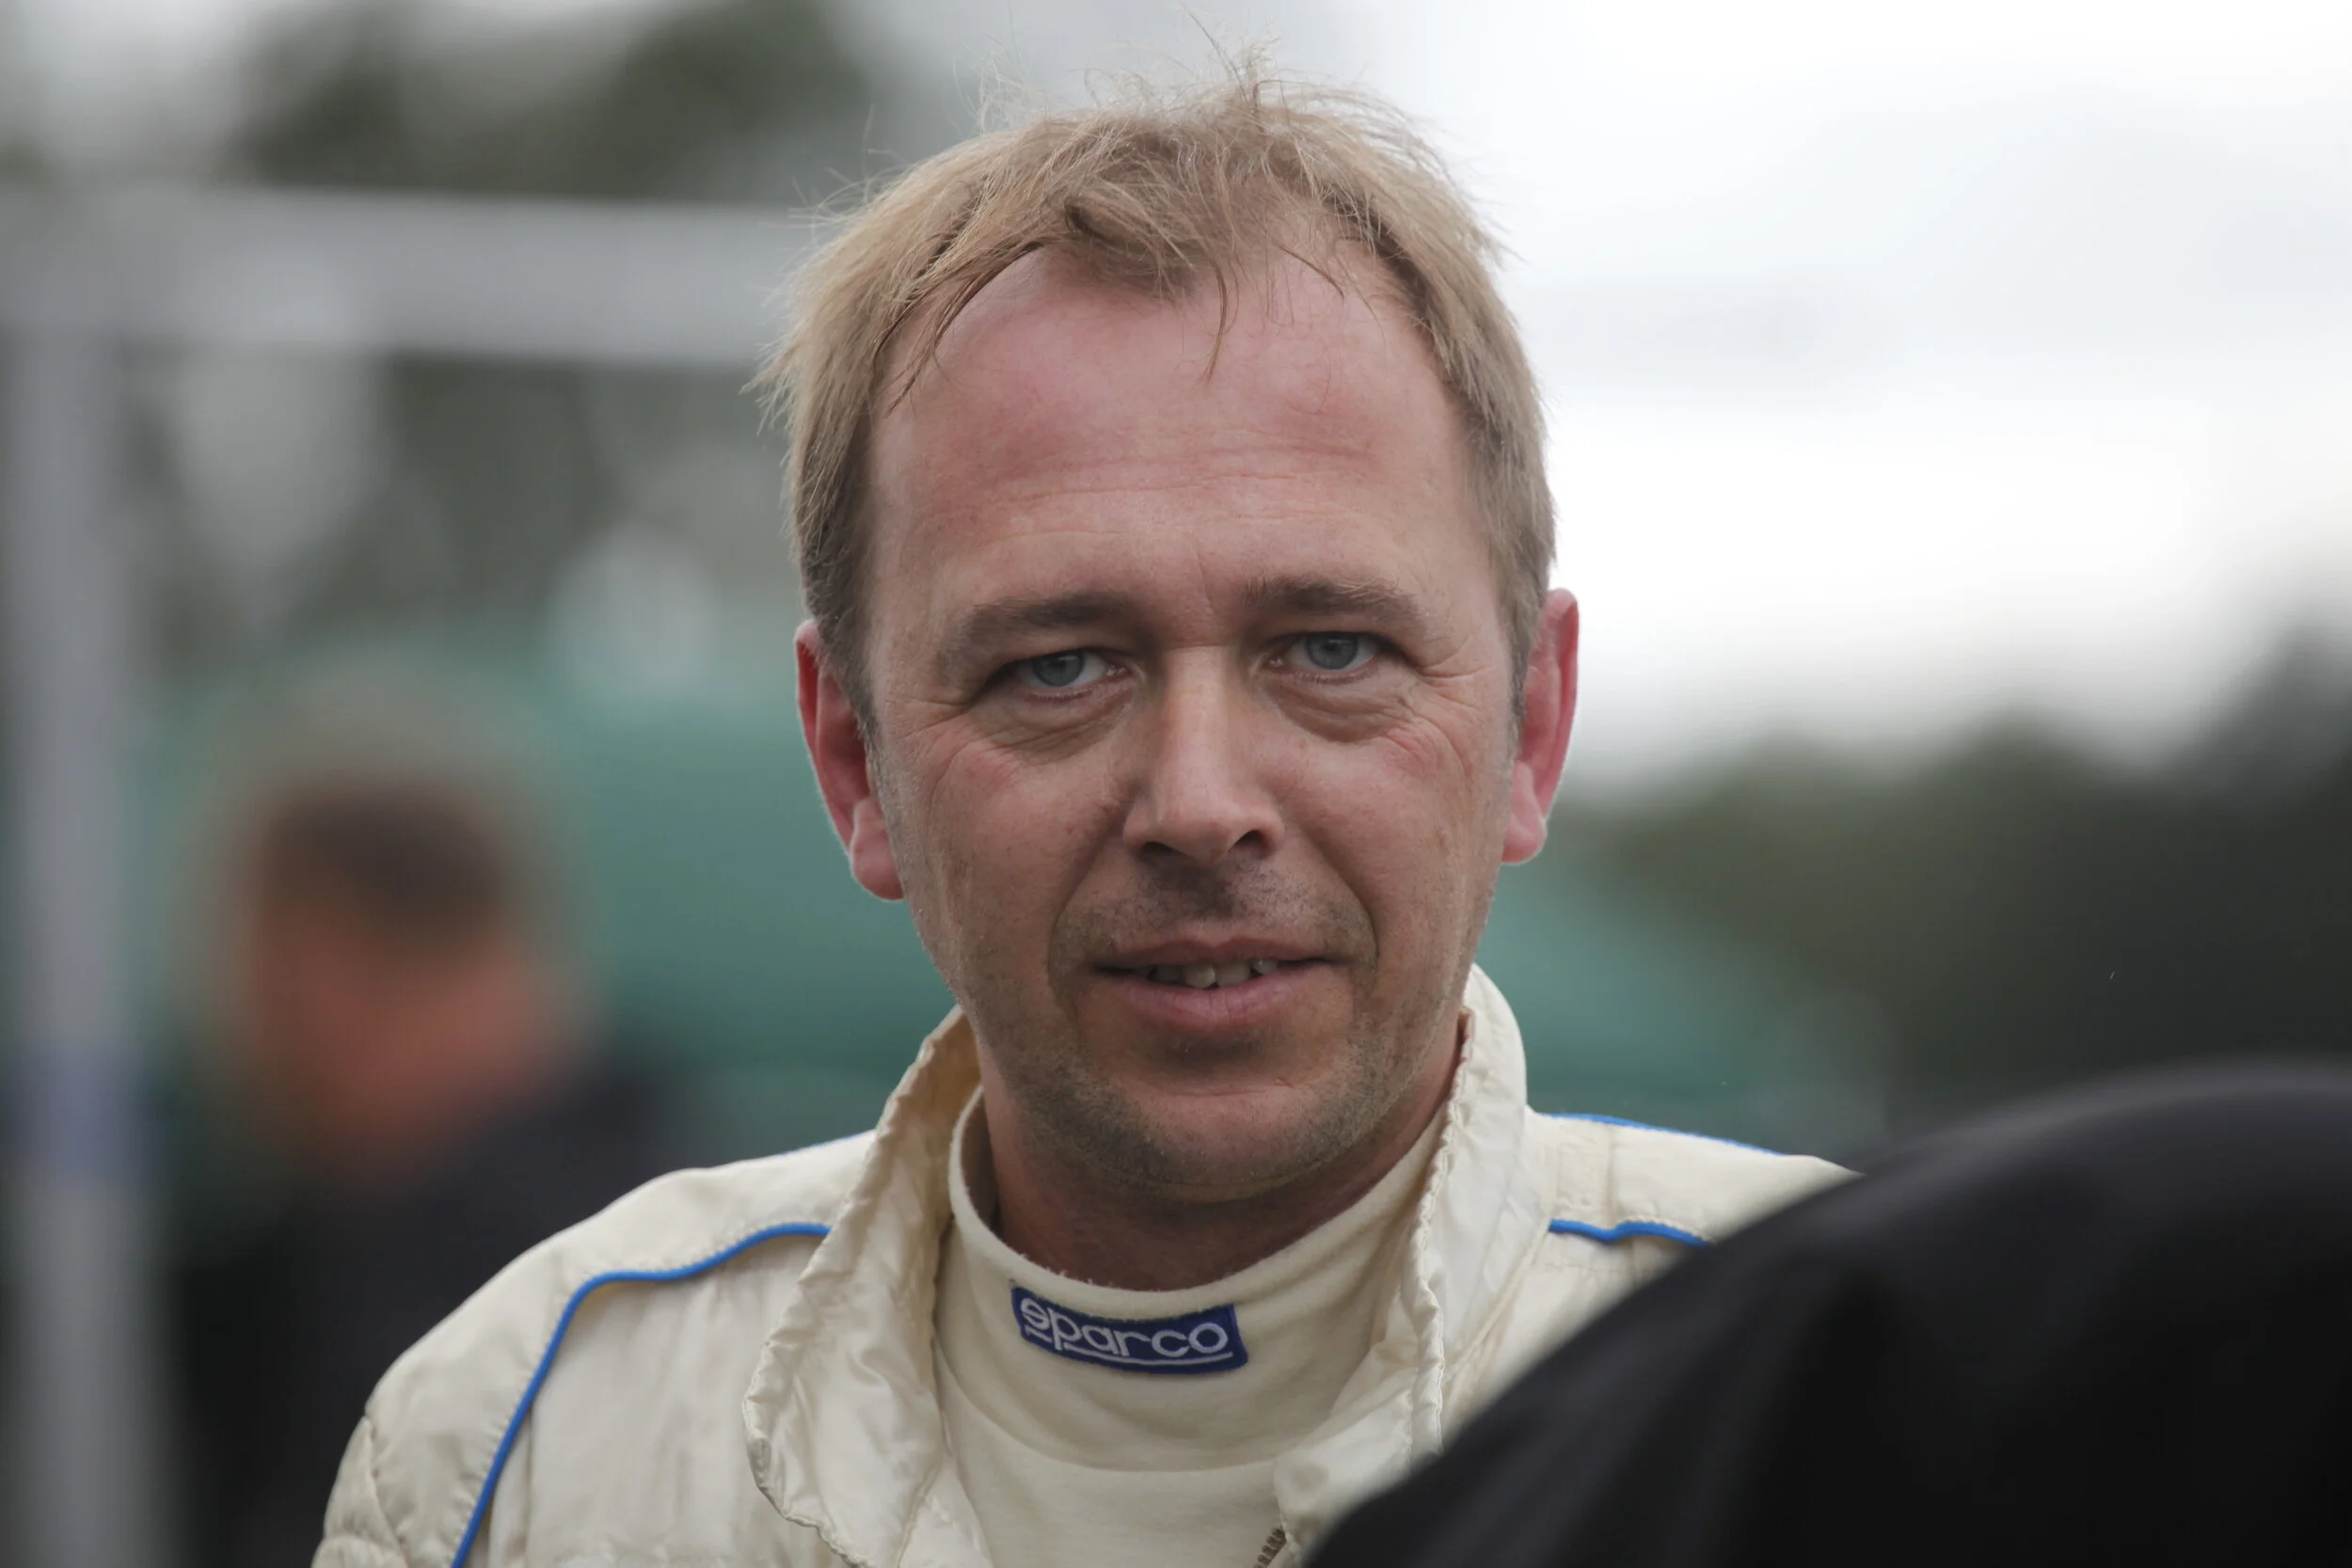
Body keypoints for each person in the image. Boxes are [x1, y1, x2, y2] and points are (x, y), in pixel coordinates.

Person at [314, 69, 1844, 1568]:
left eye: (1329, 650)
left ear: (1531, 724)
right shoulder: (521, 1450)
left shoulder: (1855, 1385)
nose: (1200, 803)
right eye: (1058, 666)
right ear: (853, 761)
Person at [1307, 1066, 2352, 1568]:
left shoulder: (1836, 1298)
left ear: (1533, 741)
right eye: (1126, 658)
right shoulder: (1848, 1294)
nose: (1223, 809)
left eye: (1336, 697)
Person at [174, 763, 675, 1568]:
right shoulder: (674, 1223)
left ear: (322, 960)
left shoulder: (444, 1302)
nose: (235, 1024)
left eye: (260, 968)